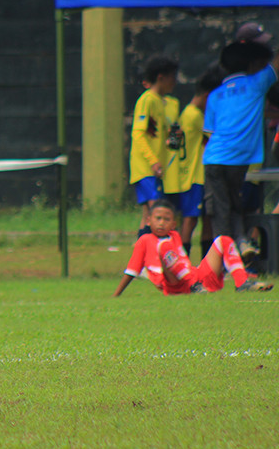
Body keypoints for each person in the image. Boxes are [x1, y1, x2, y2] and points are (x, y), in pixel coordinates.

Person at [203, 21, 279, 258]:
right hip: (240, 158)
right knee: (234, 205)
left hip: (214, 158)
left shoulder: (215, 95)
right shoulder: (256, 84)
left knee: (222, 210)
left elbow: (209, 133)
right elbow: (275, 65)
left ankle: (232, 253)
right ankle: (237, 247)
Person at [113, 199, 273, 297]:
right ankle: (194, 286)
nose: (161, 223)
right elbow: (131, 271)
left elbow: (183, 262)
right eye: (158, 218)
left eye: (166, 219)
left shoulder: (175, 236)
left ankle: (242, 283)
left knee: (223, 240)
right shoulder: (145, 240)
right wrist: (116, 295)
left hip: (196, 278)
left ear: (174, 224)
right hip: (172, 283)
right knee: (164, 246)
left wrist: (194, 276)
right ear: (149, 221)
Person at [163, 66, 224, 257]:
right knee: (190, 220)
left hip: (196, 176)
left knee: (205, 219)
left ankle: (206, 264)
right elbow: (212, 138)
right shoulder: (194, 116)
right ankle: (183, 263)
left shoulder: (190, 113)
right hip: (193, 177)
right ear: (208, 96)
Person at [129, 55, 179, 237]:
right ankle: (152, 258)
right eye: (172, 77)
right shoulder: (147, 99)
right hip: (146, 167)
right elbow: (138, 133)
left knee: (148, 216)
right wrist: (152, 161)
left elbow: (163, 136)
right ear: (161, 77)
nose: (175, 81)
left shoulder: (165, 102)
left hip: (157, 168)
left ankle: (140, 259)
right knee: (158, 213)